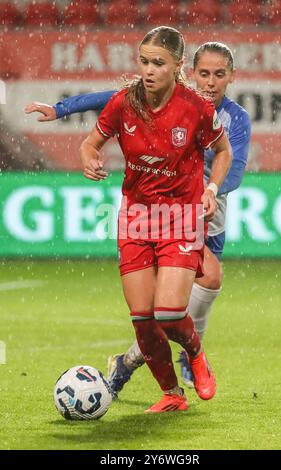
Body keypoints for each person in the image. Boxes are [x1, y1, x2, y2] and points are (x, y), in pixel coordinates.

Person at [25, 40, 249, 401]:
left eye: (218, 74)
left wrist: (207, 184)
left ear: (230, 78)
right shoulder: (136, 97)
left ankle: (191, 355)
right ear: (190, 72)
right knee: (147, 317)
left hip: (192, 212)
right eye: (204, 73)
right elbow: (102, 106)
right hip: (140, 217)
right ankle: (165, 388)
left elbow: (232, 163)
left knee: (173, 310)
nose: (210, 81)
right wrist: (61, 112)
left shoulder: (218, 114)